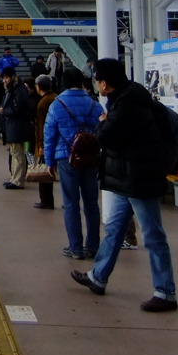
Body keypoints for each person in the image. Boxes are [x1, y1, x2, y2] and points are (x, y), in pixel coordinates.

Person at [70, 58, 178, 313]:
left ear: (105, 84)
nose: (94, 85)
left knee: (153, 235)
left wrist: (104, 121)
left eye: (96, 81)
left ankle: (166, 292)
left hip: (139, 177)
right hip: (128, 177)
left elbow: (106, 137)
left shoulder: (126, 105)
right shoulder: (129, 96)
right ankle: (98, 276)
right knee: (115, 229)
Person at [45, 68, 103, 256]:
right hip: (91, 158)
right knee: (91, 203)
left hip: (66, 157)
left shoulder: (57, 104)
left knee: (71, 203)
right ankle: (93, 246)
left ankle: (75, 247)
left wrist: (49, 162)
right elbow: (103, 130)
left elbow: (50, 135)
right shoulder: (95, 105)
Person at [0, 68, 33, 190]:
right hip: (13, 126)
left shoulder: (19, 90)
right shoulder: (13, 89)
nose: (5, 80)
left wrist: (5, 111)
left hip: (17, 126)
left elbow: (19, 107)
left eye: (6, 77)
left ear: (13, 77)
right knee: (14, 152)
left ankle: (18, 180)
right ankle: (14, 178)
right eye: (4, 78)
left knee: (18, 153)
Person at [33, 74, 58, 210]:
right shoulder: (55, 97)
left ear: (39, 87)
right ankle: (48, 200)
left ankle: (46, 200)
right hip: (57, 139)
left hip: (46, 141)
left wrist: (41, 145)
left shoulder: (42, 103)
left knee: (44, 171)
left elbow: (42, 125)